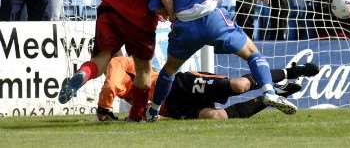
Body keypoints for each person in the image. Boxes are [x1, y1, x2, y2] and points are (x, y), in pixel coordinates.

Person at [147, 0, 298, 122]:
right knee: (252, 53)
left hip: (185, 27)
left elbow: (153, 4)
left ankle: (153, 110)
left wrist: (168, 13)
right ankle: (268, 91)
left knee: (169, 70)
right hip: (212, 19)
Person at [96, 56, 320, 121]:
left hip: (179, 86)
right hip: (171, 108)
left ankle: (292, 71)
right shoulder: (117, 80)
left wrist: (103, 111)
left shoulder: (117, 63)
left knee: (240, 85)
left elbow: (110, 86)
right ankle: (268, 99)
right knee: (217, 117)